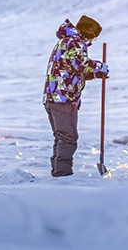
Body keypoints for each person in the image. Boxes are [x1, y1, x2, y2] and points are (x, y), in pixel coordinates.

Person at [43, 15, 108, 177]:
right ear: (88, 32)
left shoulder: (66, 41)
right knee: (68, 138)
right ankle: (62, 174)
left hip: (53, 96)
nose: (92, 41)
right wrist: (99, 66)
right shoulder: (75, 42)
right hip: (63, 98)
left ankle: (58, 171)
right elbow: (80, 63)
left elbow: (71, 70)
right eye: (93, 37)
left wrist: (95, 74)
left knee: (61, 137)